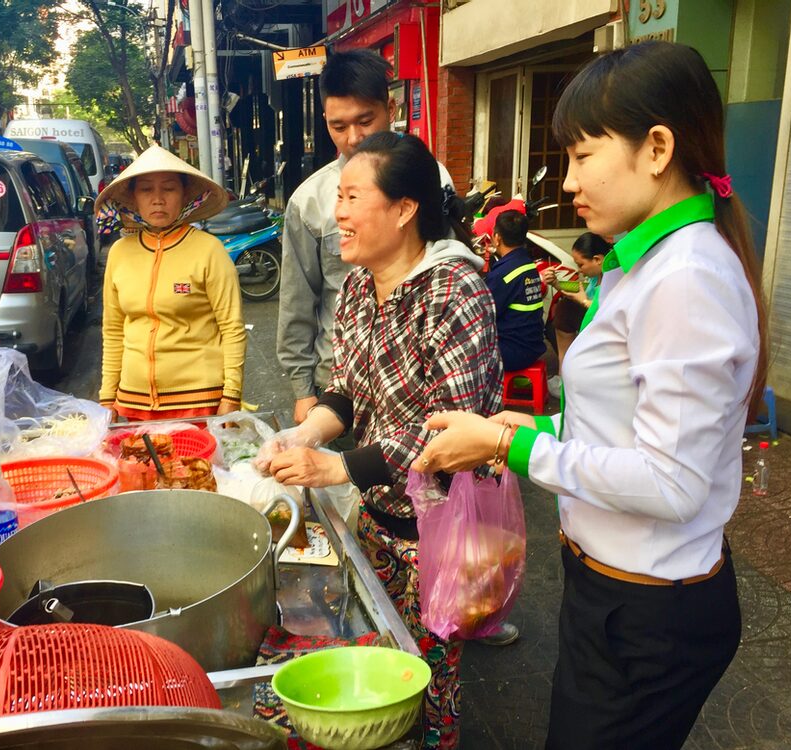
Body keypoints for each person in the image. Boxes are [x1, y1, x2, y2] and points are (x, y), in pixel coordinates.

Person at [412, 41, 767, 750]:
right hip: (613, 594)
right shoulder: (643, 264)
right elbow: (623, 418)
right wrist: (535, 421)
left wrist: (510, 444)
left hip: (648, 616)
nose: (568, 181)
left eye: (583, 154)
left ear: (657, 147)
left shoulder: (686, 277)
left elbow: (672, 483)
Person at [259, 132, 507, 750]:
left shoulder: (455, 292)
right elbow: (346, 393)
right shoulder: (356, 290)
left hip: (443, 530)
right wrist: (306, 431)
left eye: (351, 197)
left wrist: (337, 469)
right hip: (380, 517)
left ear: (404, 210)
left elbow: (450, 431)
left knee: (428, 675)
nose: (337, 213)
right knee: (379, 661)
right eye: (336, 198)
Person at [276, 49, 457, 427]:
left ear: (390, 108)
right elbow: (298, 301)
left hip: (418, 384)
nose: (354, 138)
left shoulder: (431, 178)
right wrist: (303, 389)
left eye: (365, 121)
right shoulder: (309, 201)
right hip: (340, 387)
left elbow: (447, 268)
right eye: (338, 126)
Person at [94, 144, 246, 421]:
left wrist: (231, 395)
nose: (158, 199)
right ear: (133, 197)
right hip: (134, 401)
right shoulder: (119, 252)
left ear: (185, 194)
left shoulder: (208, 250)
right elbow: (114, 330)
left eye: (169, 188)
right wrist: (107, 397)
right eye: (146, 190)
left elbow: (232, 328)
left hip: (201, 401)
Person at [542, 232, 612, 393]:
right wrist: (557, 284)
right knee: (563, 309)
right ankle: (564, 375)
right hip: (591, 332)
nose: (579, 271)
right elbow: (577, 289)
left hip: (604, 336)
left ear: (597, 260)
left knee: (564, 311)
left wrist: (583, 301)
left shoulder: (614, 279)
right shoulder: (596, 277)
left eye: (580, 265)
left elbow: (607, 315)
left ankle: (565, 378)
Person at [482, 209, 547, 372]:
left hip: (512, 351)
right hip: (533, 344)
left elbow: (485, 314)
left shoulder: (503, 274)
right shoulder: (527, 264)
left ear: (497, 238)